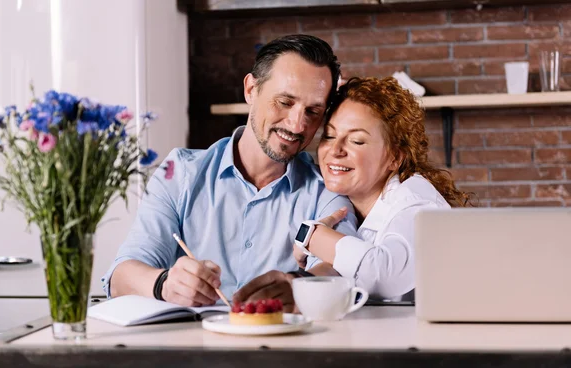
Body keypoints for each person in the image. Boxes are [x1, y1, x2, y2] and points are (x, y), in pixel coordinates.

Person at [102, 34, 358, 310]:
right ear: (251, 89)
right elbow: (119, 277)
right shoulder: (180, 173)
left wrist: (299, 284)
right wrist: (164, 284)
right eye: (284, 102)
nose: (297, 125)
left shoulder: (327, 189)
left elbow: (341, 270)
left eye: (313, 111)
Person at [234, 76, 470, 307]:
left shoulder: (417, 201)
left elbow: (383, 275)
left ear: (395, 157)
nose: (335, 150)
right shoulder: (343, 202)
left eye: (356, 141)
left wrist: (311, 236)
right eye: (329, 136)